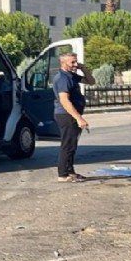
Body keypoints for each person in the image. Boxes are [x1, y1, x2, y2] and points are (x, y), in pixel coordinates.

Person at [52, 51, 95, 183]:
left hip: (71, 114)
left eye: (76, 61)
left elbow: (90, 81)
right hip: (66, 115)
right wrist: (78, 118)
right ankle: (63, 174)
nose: (75, 64)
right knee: (68, 144)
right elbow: (65, 100)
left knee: (72, 144)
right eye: (72, 62)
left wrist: (83, 68)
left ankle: (70, 171)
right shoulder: (62, 78)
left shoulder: (71, 75)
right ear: (63, 63)